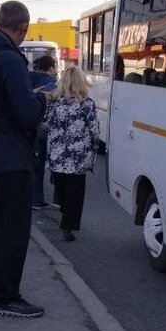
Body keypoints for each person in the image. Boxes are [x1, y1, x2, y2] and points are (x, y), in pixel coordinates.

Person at [0, 1, 48, 318]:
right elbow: (26, 113)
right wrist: (42, 98)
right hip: (11, 157)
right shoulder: (9, 59)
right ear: (22, 29)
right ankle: (6, 297)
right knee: (11, 229)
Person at [45, 67, 99, 242]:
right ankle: (68, 225)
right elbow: (94, 130)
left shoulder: (54, 102)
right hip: (78, 157)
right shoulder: (87, 103)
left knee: (61, 189)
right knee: (75, 193)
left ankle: (63, 212)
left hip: (58, 155)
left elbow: (45, 123)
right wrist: (93, 150)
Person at [29, 55, 59, 210]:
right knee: (47, 164)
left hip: (31, 126)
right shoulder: (50, 83)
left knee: (35, 164)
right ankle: (38, 200)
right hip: (45, 128)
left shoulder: (27, 77)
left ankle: (35, 198)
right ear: (51, 67)